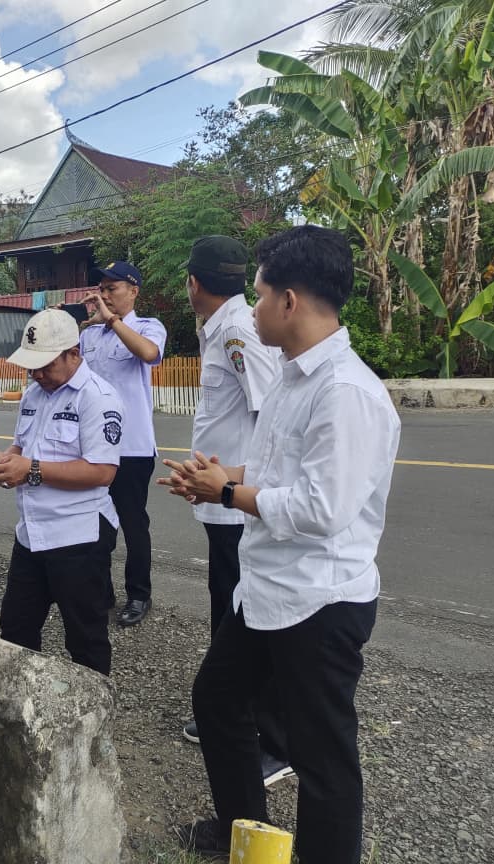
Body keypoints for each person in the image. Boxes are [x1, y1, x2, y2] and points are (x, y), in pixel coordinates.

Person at [159, 226, 401, 864]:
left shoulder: (346, 393)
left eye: (260, 294)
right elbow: (276, 473)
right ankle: (246, 834)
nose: (253, 306)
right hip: (267, 588)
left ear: (289, 301)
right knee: (217, 700)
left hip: (319, 602)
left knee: (323, 760)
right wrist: (220, 478)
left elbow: (321, 509)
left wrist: (227, 495)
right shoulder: (295, 379)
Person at [176, 236, 288, 787]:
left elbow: (268, 414)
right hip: (223, 498)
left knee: (248, 613)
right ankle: (232, 712)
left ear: (193, 283)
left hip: (236, 502)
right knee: (229, 606)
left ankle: (270, 734)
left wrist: (231, 486)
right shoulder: (220, 328)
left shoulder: (239, 331)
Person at [0, 308, 124, 675]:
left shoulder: (97, 397)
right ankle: (26, 711)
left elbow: (103, 471)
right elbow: (20, 447)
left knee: (85, 638)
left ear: (74, 354)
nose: (37, 374)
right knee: (15, 629)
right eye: (32, 366)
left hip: (79, 535)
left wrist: (28, 470)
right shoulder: (34, 393)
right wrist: (6, 461)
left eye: (45, 365)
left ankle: (94, 720)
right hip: (32, 533)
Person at [78, 261, 166, 627]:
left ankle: (138, 594)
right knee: (95, 522)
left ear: (134, 291)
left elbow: (148, 354)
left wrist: (111, 321)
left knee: (132, 523)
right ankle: (102, 593)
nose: (104, 295)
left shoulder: (147, 327)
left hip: (131, 446)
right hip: (94, 446)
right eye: (101, 288)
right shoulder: (89, 336)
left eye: (112, 288)